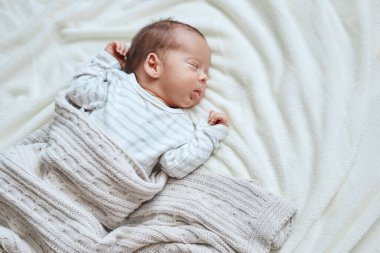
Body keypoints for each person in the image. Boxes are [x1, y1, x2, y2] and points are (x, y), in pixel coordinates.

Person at [67, 19, 229, 179]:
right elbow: (78, 92)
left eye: (206, 73)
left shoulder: (181, 126)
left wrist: (210, 136)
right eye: (194, 66)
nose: (204, 78)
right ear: (153, 65)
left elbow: (177, 167)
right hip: (72, 157)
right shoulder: (119, 85)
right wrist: (105, 61)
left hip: (113, 184)